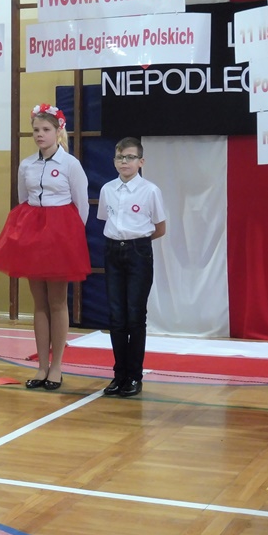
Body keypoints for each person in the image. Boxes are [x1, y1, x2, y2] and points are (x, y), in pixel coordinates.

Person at [0, 103, 90, 391]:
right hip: (33, 237)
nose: (39, 134)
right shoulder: (26, 165)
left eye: (46, 129)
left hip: (60, 238)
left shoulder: (70, 165)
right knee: (39, 302)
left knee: (57, 301)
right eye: (36, 130)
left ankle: (57, 365)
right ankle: (41, 366)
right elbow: (24, 198)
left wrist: (70, 238)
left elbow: (81, 205)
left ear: (58, 131)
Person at [96, 137, 166, 398]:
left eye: (130, 157)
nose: (124, 162)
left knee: (135, 315)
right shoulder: (107, 189)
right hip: (113, 250)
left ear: (141, 161)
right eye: (119, 157)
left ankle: (134, 376)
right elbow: (106, 218)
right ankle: (119, 374)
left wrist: (137, 243)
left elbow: (160, 228)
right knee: (116, 316)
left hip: (138, 251)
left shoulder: (150, 191)